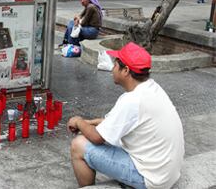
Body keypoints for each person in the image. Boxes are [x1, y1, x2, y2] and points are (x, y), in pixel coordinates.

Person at [67, 42, 184, 188]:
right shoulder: (152, 88)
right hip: (166, 171)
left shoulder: (132, 100)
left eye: (115, 65)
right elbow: (113, 123)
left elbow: (97, 138)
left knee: (78, 145)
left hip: (151, 178)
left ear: (126, 71)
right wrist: (89, 123)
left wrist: (78, 122)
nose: (112, 69)